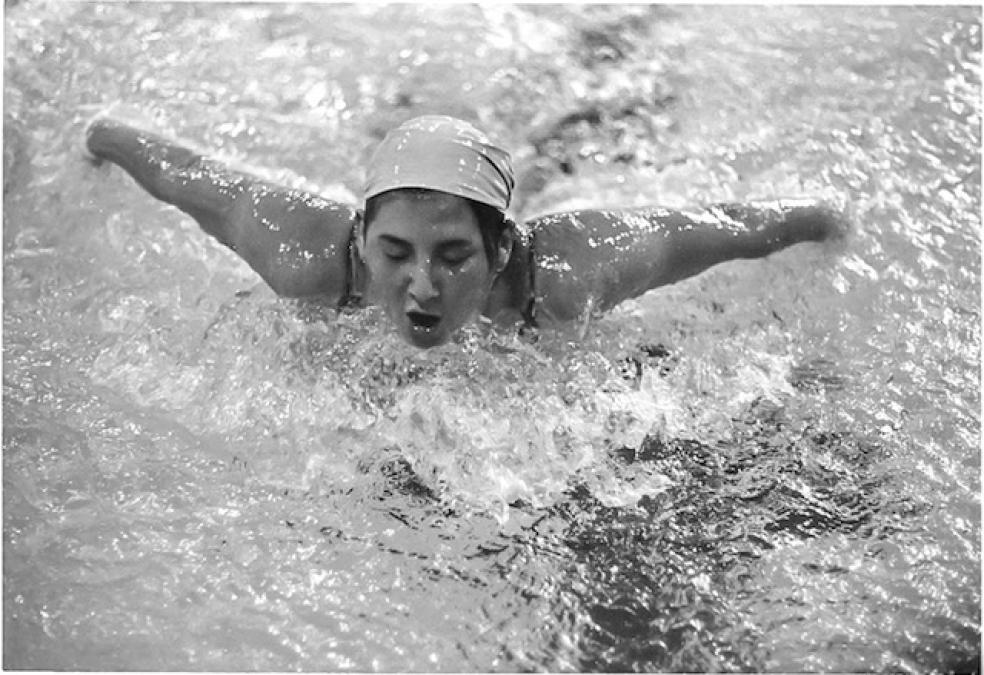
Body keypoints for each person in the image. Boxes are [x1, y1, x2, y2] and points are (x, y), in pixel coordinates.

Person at [83, 112, 847, 348]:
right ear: (359, 239)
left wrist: (827, 220)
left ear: (502, 247)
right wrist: (99, 140)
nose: (422, 283)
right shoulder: (306, 255)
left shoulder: (571, 271)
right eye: (395, 252)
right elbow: (181, 171)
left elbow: (726, 226)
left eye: (453, 255)